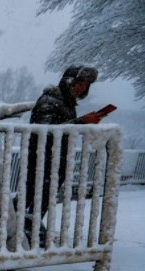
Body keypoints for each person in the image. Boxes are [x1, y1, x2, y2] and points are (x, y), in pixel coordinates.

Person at [22, 65, 103, 245]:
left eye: (85, 85)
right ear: (68, 81)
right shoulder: (51, 100)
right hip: (43, 157)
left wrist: (82, 121)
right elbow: (46, 130)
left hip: (54, 157)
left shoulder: (65, 102)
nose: (81, 87)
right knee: (34, 193)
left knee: (41, 194)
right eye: (78, 82)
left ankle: (26, 223)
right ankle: (22, 224)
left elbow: (62, 126)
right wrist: (82, 121)